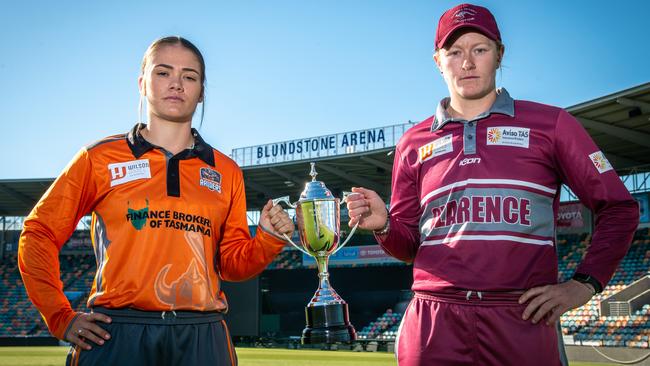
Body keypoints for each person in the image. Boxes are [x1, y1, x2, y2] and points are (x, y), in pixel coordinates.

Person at [345, 4, 639, 365]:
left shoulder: (552, 125)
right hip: (435, 320)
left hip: (523, 317)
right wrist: (385, 225)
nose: (467, 62)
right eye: (454, 52)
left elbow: (620, 208)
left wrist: (584, 283)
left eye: (479, 49)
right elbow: (408, 246)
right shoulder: (412, 143)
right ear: (438, 61)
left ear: (500, 55)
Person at [18, 36, 294, 366]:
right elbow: (38, 233)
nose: (176, 83)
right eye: (163, 72)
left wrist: (267, 238)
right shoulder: (99, 158)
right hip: (116, 332)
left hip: (203, 335)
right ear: (142, 83)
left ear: (201, 90)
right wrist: (60, 315)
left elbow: (233, 266)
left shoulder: (227, 171)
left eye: (189, 76)